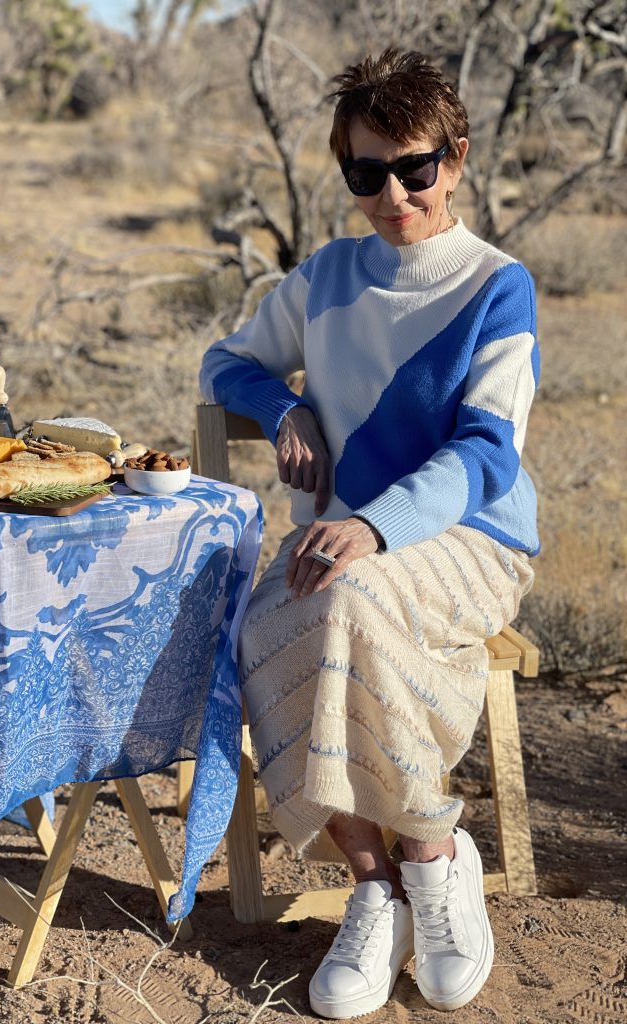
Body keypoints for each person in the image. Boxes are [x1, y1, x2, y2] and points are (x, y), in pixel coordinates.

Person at [199, 48, 539, 1018]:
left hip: (474, 537)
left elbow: (487, 456)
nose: (391, 192)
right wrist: (281, 410)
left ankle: (435, 854)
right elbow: (224, 363)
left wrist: (373, 528)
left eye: (414, 167)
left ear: (456, 158)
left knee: (343, 595)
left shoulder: (495, 287)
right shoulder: (326, 280)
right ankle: (376, 884)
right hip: (352, 544)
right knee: (264, 626)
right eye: (365, 172)